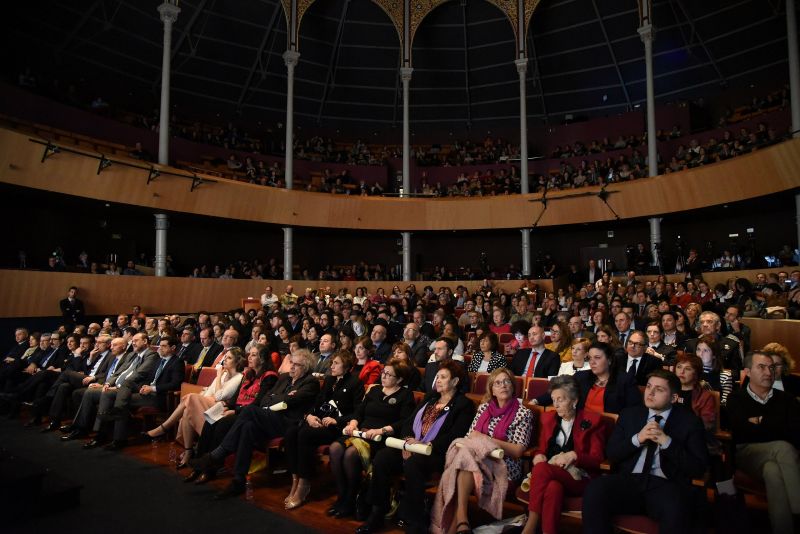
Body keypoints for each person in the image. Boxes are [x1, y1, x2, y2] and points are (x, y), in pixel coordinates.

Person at [582, 369, 709, 534]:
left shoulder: (690, 422)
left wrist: (667, 442)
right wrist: (637, 439)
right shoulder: (629, 414)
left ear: (673, 398)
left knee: (677, 506)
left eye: (659, 389)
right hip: (630, 480)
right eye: (649, 387)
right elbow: (612, 453)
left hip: (666, 484)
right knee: (595, 490)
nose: (651, 392)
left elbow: (697, 468)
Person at [360, 360, 475, 534]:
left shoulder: (463, 404)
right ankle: (377, 513)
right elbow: (408, 421)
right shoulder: (430, 397)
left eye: (443, 377)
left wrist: (424, 445)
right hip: (411, 446)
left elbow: (455, 435)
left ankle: (415, 521)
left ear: (455, 381)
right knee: (383, 458)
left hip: (436, 452)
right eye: (437, 376)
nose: (438, 380)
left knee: (414, 464)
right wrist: (407, 441)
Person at [190, 349, 320, 498]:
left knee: (250, 410)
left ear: (306, 367)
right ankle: (238, 480)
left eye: (296, 365)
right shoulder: (284, 378)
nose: (291, 367)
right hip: (270, 418)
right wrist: (283, 397)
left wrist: (278, 397)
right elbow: (265, 400)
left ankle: (217, 454)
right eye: (291, 363)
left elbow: (290, 401)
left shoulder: (311, 382)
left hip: (289, 424)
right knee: (247, 427)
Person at [431, 367, 534, 534]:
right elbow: (469, 438)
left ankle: (459, 522)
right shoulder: (483, 408)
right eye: (498, 383)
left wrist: (487, 440)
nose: (503, 385)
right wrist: (480, 444)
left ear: (513, 386)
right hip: (476, 462)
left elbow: (518, 450)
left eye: (507, 381)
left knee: (462, 464)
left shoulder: (523, 413)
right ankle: (461, 522)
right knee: (465, 462)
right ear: (492, 389)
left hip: (504, 466)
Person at [328, 359, 415, 519]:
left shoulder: (405, 395)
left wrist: (381, 430)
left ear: (399, 379)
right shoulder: (374, 390)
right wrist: (353, 423)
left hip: (380, 438)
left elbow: (404, 421)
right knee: (335, 448)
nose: (384, 376)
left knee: (351, 454)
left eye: (389, 374)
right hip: (360, 433)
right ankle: (342, 495)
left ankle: (350, 499)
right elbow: (359, 412)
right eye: (383, 372)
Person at [521, 375, 607, 534]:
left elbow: (597, 460)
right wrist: (538, 456)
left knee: (541, 469)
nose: (555, 404)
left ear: (574, 401)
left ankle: (530, 526)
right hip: (553, 476)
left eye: (560, 399)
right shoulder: (549, 420)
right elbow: (541, 450)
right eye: (553, 399)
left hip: (580, 478)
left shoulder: (592, 421)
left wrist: (574, 455)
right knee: (553, 488)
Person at [727, 351, 800, 534]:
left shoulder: (787, 399)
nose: (768, 372)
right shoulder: (736, 398)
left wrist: (760, 422)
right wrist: (776, 425)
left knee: (772, 471)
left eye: (772, 367)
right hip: (747, 453)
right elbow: (740, 430)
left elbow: (795, 432)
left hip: (779, 458)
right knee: (783, 447)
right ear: (748, 371)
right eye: (761, 367)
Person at [183, 345, 279, 483]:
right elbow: (236, 397)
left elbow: (259, 403)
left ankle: (210, 470)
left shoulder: (269, 377)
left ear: (262, 359)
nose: (249, 358)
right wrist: (226, 406)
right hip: (236, 409)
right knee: (210, 420)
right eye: (249, 354)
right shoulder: (248, 374)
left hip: (248, 414)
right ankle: (199, 466)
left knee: (222, 424)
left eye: (253, 355)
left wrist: (234, 411)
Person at [283, 350, 364, 510]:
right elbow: (318, 402)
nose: (331, 366)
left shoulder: (355, 383)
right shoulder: (329, 379)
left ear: (346, 366)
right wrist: (309, 416)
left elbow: (358, 412)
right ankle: (295, 479)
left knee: (305, 434)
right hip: (320, 421)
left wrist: (337, 420)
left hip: (337, 427)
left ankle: (304, 483)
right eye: (331, 362)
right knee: (292, 432)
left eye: (336, 363)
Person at [144, 346, 245, 467]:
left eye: (229, 358)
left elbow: (219, 396)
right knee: (187, 410)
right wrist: (203, 398)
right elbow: (208, 392)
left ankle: (164, 429)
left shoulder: (238, 377)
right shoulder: (224, 374)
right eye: (225, 357)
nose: (225, 360)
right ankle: (188, 451)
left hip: (218, 409)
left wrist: (218, 376)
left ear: (237, 361)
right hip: (208, 403)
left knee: (190, 397)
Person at [696, 334, 734, 405]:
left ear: (714, 355)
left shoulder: (724, 375)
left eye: (705, 350)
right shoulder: (692, 372)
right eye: (698, 349)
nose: (700, 354)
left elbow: (725, 402)